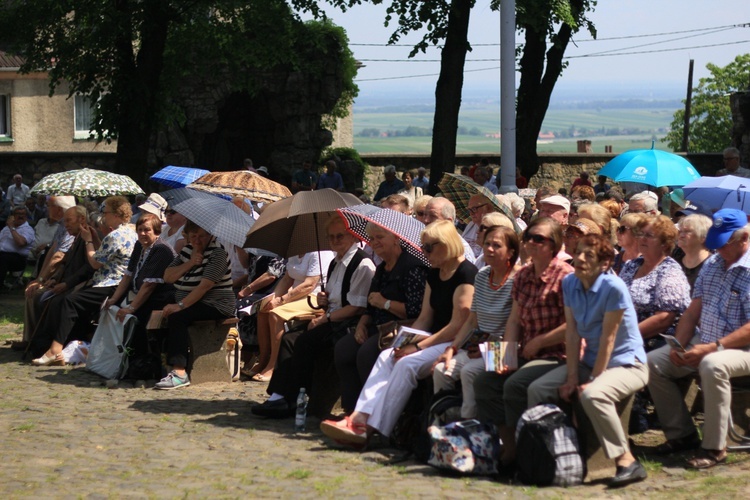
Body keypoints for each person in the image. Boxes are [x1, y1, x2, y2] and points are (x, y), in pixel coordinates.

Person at [319, 220, 476, 447]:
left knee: (406, 365)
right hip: (434, 338)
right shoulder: (435, 273)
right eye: (423, 247)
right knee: (388, 355)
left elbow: (456, 326)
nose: (424, 252)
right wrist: (405, 342)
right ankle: (358, 417)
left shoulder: (466, 274)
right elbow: (424, 318)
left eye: (429, 248)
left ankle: (376, 429)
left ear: (447, 244)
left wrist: (418, 347)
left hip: (455, 342)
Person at [527, 234, 649, 487]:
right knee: (538, 388)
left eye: (589, 255)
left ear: (605, 264)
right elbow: (572, 333)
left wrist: (593, 379)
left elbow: (609, 338)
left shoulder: (613, 287)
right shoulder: (571, 282)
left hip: (627, 363)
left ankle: (626, 460)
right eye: (579, 252)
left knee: (593, 395)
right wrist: (572, 377)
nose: (580, 258)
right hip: (589, 360)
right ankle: (546, 457)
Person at [647, 208, 750, 469]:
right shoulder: (714, 264)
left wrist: (713, 348)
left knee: (712, 365)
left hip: (741, 348)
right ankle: (681, 434)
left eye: (724, 244)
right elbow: (694, 310)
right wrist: (679, 345)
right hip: (706, 341)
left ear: (744, 239)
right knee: (652, 363)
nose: (718, 250)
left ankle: (715, 448)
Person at [251, 218, 375, 418]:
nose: (335, 241)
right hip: (331, 316)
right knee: (290, 337)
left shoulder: (362, 264)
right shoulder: (336, 262)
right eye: (331, 237)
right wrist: (323, 300)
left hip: (347, 322)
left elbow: (356, 308)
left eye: (340, 236)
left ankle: (293, 397)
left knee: (303, 341)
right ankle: (280, 396)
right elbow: (334, 297)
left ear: (352, 236)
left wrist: (324, 319)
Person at [473, 217, 572, 465]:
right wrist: (502, 357)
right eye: (528, 237)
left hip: (559, 354)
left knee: (515, 385)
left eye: (539, 238)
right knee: (485, 379)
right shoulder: (524, 276)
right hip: (527, 352)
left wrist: (540, 341)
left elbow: (574, 325)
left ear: (554, 245)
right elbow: (514, 321)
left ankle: (526, 451)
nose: (531, 242)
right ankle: (509, 444)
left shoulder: (566, 277)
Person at [333, 222, 428, 414]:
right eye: (372, 238)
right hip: (377, 326)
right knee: (344, 348)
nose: (374, 242)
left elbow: (416, 311)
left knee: (366, 354)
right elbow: (369, 304)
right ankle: (351, 411)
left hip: (401, 328)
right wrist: (361, 326)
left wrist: (385, 303)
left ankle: (374, 414)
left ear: (396, 238)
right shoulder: (382, 268)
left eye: (380, 237)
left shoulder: (412, 268)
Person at [31, 196, 137, 364]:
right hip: (112, 282)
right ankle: (63, 348)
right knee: (63, 300)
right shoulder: (128, 232)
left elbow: (94, 262)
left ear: (116, 214)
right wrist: (94, 238)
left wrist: (88, 240)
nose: (103, 215)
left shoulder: (116, 235)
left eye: (106, 212)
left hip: (110, 284)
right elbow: (105, 254)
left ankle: (55, 349)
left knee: (70, 301)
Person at [433, 226, 519, 418]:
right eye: (487, 243)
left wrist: (491, 351)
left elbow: (514, 326)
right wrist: (452, 349)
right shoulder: (482, 276)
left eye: (496, 245)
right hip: (479, 347)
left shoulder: (518, 280)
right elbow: (472, 320)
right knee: (441, 370)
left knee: (469, 372)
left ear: (511, 252)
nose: (489, 249)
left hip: (504, 349)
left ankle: (469, 429)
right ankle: (446, 423)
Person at [154, 221, 235, 389]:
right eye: (194, 236)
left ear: (210, 235)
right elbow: (168, 276)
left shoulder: (217, 254)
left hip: (216, 304)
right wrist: (190, 263)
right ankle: (155, 364)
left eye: (202, 236)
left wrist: (181, 305)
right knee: (154, 310)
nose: (197, 241)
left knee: (177, 317)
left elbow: (205, 286)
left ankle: (179, 372)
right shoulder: (187, 251)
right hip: (191, 301)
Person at [20, 206, 95, 352]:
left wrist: (66, 284)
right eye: (64, 221)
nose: (66, 225)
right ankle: (37, 341)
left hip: (80, 284)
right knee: (38, 296)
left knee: (54, 301)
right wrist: (54, 278)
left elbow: (87, 268)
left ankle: (50, 343)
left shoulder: (89, 237)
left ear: (82, 219)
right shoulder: (75, 237)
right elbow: (65, 261)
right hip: (65, 281)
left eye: (69, 221)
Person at [251, 249, 334, 381]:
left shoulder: (319, 253)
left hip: (314, 297)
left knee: (275, 314)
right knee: (263, 311)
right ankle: (263, 359)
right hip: (295, 296)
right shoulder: (295, 251)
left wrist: (281, 300)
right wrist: (275, 298)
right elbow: (287, 278)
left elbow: (309, 284)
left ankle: (274, 365)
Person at [104, 213, 176, 356]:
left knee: (138, 317)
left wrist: (131, 308)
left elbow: (149, 285)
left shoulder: (161, 249)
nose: (142, 233)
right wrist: (113, 299)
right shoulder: (139, 245)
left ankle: (140, 362)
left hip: (160, 297)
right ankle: (113, 356)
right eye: (140, 230)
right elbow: (128, 275)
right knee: (113, 307)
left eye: (147, 230)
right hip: (139, 293)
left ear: (156, 231)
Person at [619, 215, 691, 352]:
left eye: (649, 235)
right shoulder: (632, 265)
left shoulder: (669, 271)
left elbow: (664, 319)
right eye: (640, 234)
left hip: (653, 341)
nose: (642, 239)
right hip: (622, 333)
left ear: (664, 243)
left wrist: (622, 336)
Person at [422, 197, 476, 265]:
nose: (426, 220)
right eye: (424, 214)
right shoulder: (428, 241)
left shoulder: (461, 252)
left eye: (433, 216)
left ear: (448, 222)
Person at [674, 214, 713, 292]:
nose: (681, 235)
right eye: (680, 231)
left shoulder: (712, 267)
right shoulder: (674, 261)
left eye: (687, 232)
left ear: (703, 237)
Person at [0, 206, 35, 287]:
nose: (21, 216)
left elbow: (21, 243)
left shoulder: (28, 230)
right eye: (18, 214)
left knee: (2, 258)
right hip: (3, 255)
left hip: (18, 259)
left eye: (23, 214)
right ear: (13, 216)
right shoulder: (6, 228)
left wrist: (12, 228)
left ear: (26, 216)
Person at [462, 193, 496, 258]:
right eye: (469, 210)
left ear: (488, 208)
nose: (471, 213)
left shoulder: (494, 228)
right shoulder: (471, 225)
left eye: (474, 209)